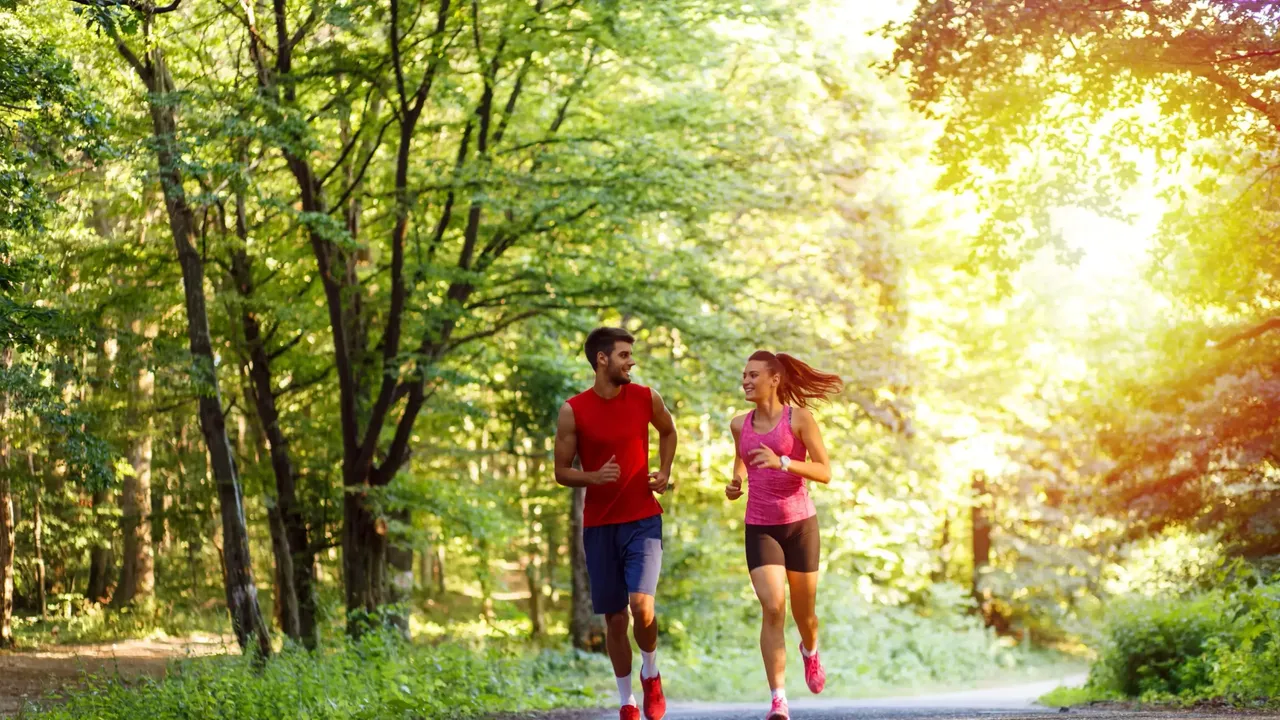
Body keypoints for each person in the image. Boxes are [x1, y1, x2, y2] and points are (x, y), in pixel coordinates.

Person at [554, 327, 677, 720]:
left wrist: (663, 469)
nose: (632, 362)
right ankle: (627, 700)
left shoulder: (645, 397)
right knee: (614, 617)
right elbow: (560, 471)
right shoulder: (574, 409)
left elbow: (669, 431)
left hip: (643, 519)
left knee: (642, 607)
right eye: (624, 355)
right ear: (602, 359)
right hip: (600, 525)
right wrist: (592, 477)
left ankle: (651, 673)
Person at [725, 350, 842, 720]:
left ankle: (810, 650)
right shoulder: (738, 423)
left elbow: (825, 472)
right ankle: (779, 699)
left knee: (804, 614)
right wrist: (737, 481)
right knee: (773, 607)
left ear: (774, 379)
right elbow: (742, 455)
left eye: (753, 374)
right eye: (744, 374)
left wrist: (784, 462)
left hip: (800, 525)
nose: (745, 380)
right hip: (760, 526)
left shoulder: (800, 419)